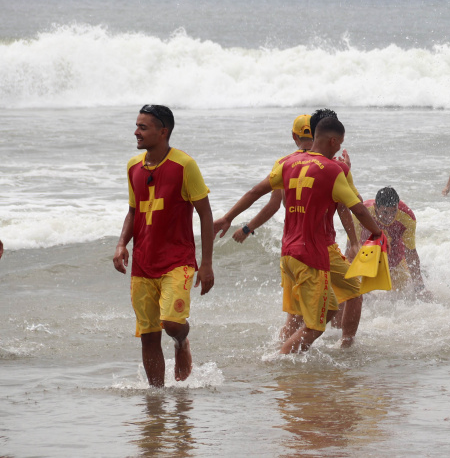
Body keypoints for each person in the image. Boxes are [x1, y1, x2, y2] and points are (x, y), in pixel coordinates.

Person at [215, 116, 382, 354]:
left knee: (319, 311)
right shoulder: (335, 169)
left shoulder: (286, 164)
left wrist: (231, 219)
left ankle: (293, 353)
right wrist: (375, 233)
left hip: (289, 252)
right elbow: (355, 208)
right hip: (312, 254)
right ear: (333, 141)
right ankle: (280, 362)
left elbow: (257, 193)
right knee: (315, 324)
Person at [112, 104, 215, 387]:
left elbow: (205, 213)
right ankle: (156, 399)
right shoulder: (134, 166)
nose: (136, 132)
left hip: (177, 261)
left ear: (163, 131)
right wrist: (122, 244)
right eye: (137, 126)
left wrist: (205, 264)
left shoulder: (185, 165)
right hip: (143, 263)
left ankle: (182, 342)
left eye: (143, 127)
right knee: (148, 335)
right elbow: (134, 211)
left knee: (170, 322)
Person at [356, 187, 430, 297]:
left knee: (403, 297)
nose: (390, 217)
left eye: (394, 211)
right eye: (385, 212)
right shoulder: (361, 213)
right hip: (366, 258)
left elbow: (410, 253)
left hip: (395, 259)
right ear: (376, 207)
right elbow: (352, 247)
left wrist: (420, 287)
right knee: (358, 297)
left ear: (397, 207)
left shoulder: (407, 217)